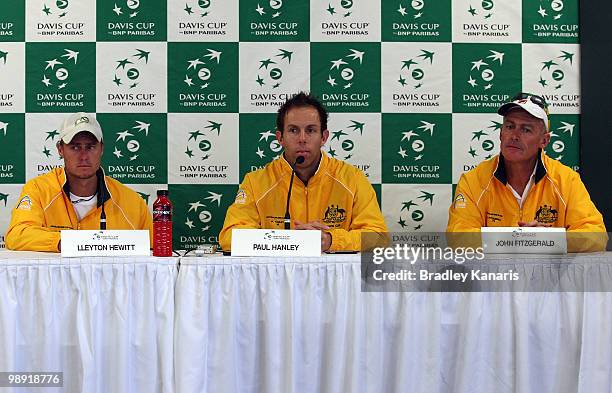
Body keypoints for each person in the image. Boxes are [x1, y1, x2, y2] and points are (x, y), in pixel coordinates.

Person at [219, 92, 387, 252]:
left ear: (324, 137)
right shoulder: (255, 182)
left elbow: (379, 238)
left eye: (311, 130)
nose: (302, 139)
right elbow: (229, 237)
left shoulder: (352, 179)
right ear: (280, 138)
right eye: (293, 130)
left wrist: (330, 240)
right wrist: (287, 241)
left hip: (334, 281)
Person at [447, 93, 606, 250]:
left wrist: (549, 240)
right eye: (510, 126)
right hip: (496, 275)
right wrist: (520, 239)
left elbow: (596, 236)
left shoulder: (566, 180)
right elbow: (458, 237)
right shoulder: (473, 180)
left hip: (548, 275)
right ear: (501, 133)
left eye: (526, 129)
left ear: (544, 140)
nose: (514, 136)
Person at [5, 112, 152, 252]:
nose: (83, 156)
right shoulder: (38, 189)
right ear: (60, 149)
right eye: (75, 147)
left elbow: (154, 255)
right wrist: (67, 242)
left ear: (101, 149)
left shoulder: (132, 202)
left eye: (90, 147)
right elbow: (16, 235)